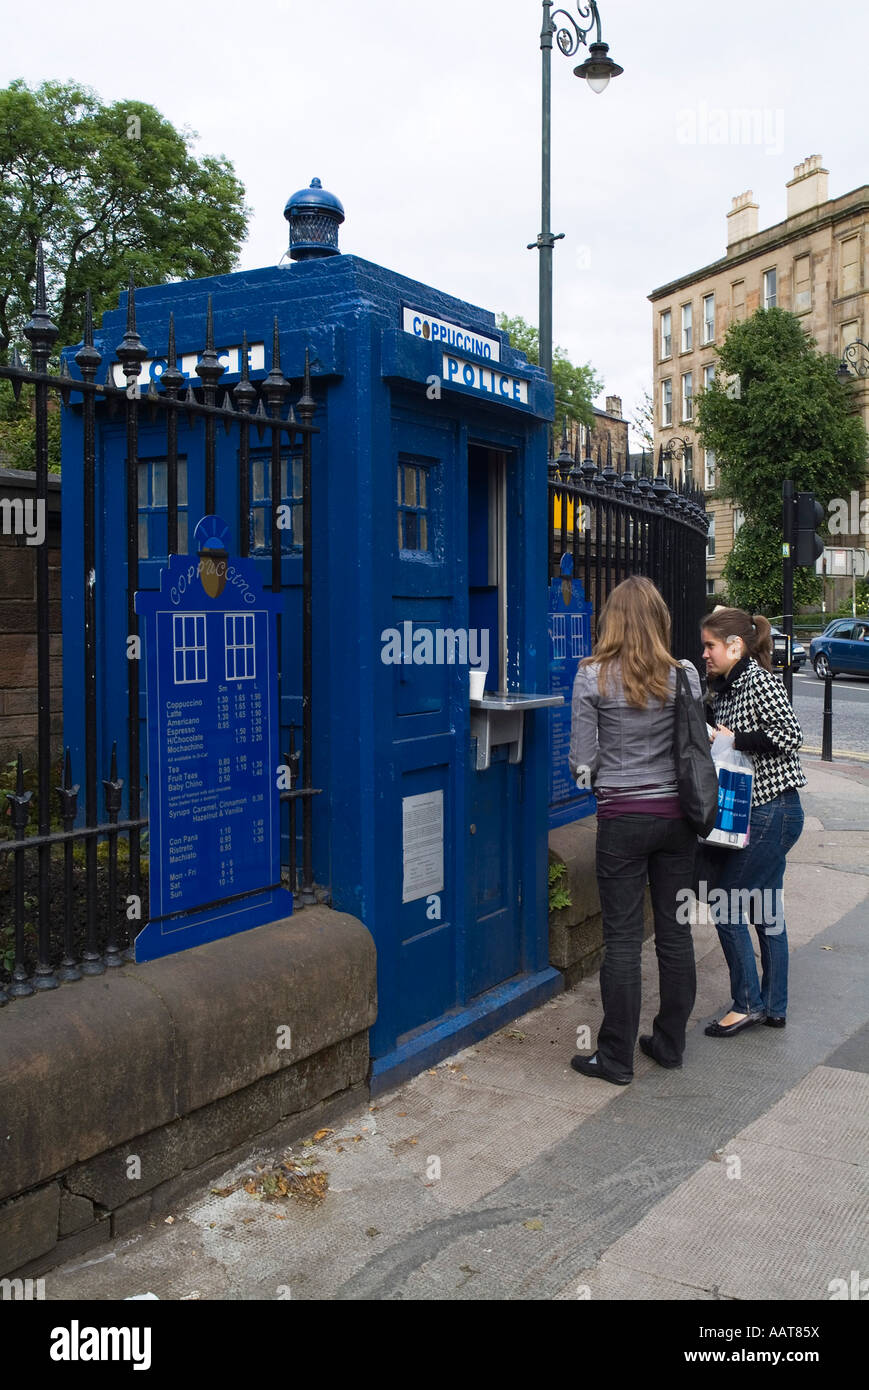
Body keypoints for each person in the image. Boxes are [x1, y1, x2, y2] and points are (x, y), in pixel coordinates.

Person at [567, 575, 703, 1084]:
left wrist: (605, 787)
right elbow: (693, 745)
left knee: (622, 940)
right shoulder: (684, 673)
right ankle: (669, 1045)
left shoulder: (592, 675)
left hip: (622, 818)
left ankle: (616, 1058)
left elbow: (582, 761)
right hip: (676, 820)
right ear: (660, 619)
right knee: (674, 932)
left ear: (611, 621)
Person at [700, 608, 806, 1036]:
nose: (704, 653)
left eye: (709, 646)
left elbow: (790, 734)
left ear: (734, 646)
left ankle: (746, 1003)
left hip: (772, 811)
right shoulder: (725, 687)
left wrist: (733, 739)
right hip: (762, 812)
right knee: (765, 911)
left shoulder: (758, 680)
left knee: (725, 904)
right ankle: (774, 1006)